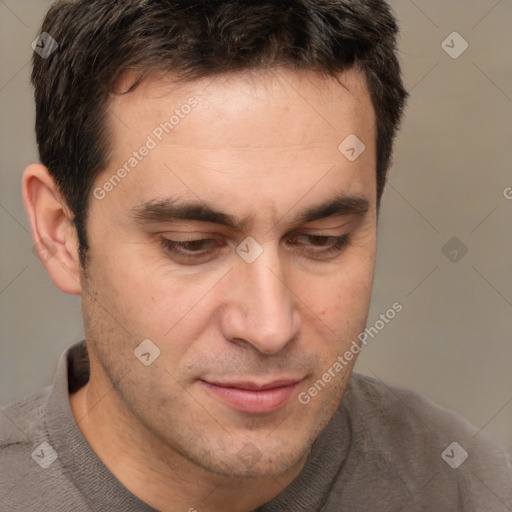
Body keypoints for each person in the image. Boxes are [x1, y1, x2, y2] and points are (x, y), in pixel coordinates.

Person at [1, 0, 511, 510]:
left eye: (322, 238)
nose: (270, 328)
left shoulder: (472, 489)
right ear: (61, 234)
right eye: (192, 245)